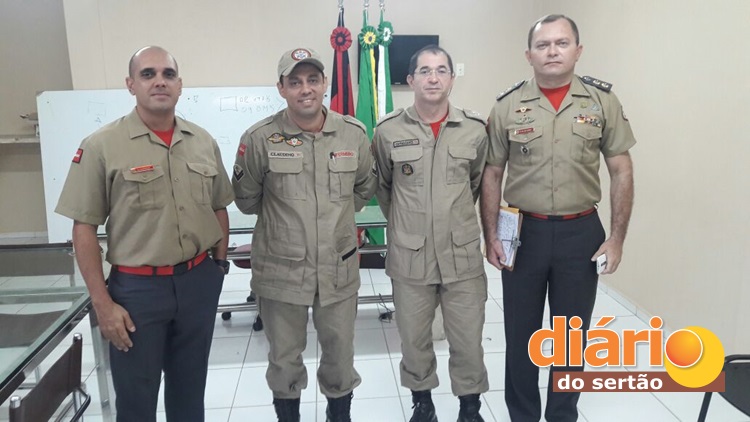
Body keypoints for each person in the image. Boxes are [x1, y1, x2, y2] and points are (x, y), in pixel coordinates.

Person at [55, 46, 234, 422]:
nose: (159, 82)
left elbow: (219, 206)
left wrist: (217, 268)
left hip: (197, 283)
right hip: (137, 294)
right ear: (131, 84)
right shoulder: (102, 145)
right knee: (137, 402)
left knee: (190, 396)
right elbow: (83, 228)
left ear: (180, 85)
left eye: (168, 74)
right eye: (148, 74)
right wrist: (102, 304)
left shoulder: (202, 141)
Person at [480, 14, 636, 422]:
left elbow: (621, 169)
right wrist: (491, 234)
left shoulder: (602, 102)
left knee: (571, 337)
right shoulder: (507, 105)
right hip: (522, 233)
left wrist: (617, 238)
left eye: (561, 43)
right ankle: (523, 415)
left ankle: (563, 414)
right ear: (528, 54)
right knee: (521, 334)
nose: (552, 51)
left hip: (580, 234)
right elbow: (492, 173)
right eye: (543, 44)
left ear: (578, 51)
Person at [232, 47, 377, 422]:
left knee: (340, 356)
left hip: (337, 267)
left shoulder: (353, 134)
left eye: (313, 79)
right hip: (281, 271)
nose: (305, 89)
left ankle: (339, 415)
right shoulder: (260, 138)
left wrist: (333, 219)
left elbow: (364, 188)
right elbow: (246, 200)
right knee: (284, 360)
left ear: (325, 83)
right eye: (294, 82)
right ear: (281, 88)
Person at [372, 45, 489, 422]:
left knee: (468, 340)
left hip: (461, 256)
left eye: (441, 70)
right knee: (414, 339)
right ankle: (422, 403)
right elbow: (385, 189)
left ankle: (469, 408)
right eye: (424, 71)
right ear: (411, 80)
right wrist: (410, 225)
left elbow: (476, 184)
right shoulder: (388, 130)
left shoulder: (474, 129)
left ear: (452, 78)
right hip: (411, 257)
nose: (433, 78)